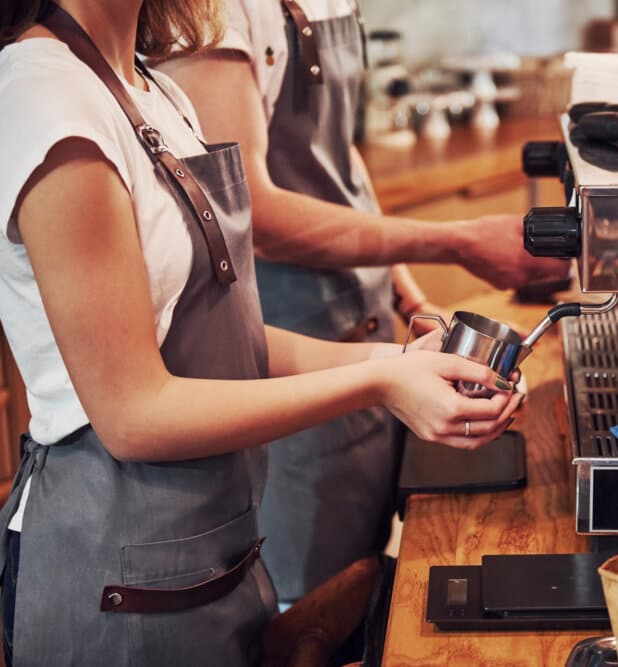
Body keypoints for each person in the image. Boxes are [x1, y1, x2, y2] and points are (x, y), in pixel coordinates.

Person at [0, 1, 521, 664]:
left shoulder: (151, 91)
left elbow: (231, 343)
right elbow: (132, 412)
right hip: (118, 591)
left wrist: (400, 357)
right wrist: (380, 382)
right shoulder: (45, 99)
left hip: (214, 563)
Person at [154, 0, 566, 606]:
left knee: (369, 586)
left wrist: (408, 295)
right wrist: (453, 240)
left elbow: (338, 162)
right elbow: (254, 214)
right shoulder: (216, 13)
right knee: (311, 605)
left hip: (367, 334)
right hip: (294, 347)